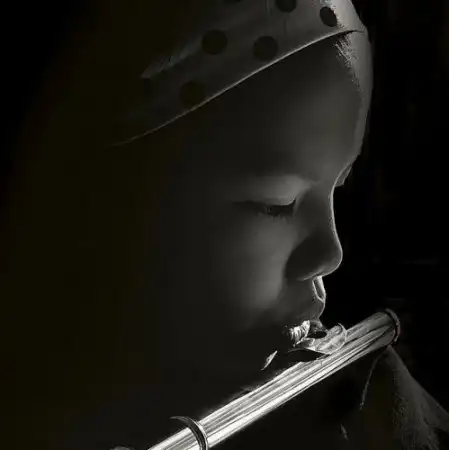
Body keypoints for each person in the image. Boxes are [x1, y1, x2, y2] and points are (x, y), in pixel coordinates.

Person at [3, 0, 448, 449]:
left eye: (340, 184)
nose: (330, 253)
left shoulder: (371, 407)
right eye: (275, 205)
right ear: (108, 207)